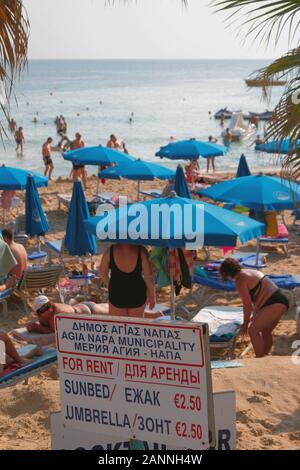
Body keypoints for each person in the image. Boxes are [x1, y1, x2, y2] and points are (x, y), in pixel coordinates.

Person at [219, 258, 289, 358]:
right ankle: (264, 356)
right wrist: (256, 316)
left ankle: (260, 359)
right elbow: (259, 298)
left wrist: (245, 324)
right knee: (265, 331)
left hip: (274, 303)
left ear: (227, 274)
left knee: (253, 330)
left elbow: (247, 305)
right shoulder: (247, 272)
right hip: (279, 299)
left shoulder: (240, 280)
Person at [100, 244, 156, 317]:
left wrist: (110, 285)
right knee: (135, 326)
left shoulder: (110, 251)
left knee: (118, 326)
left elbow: (102, 273)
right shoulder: (141, 250)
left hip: (116, 292)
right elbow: (148, 277)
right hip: (137, 293)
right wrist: (152, 296)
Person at [26, 296, 110, 334]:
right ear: (39, 313)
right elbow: (44, 326)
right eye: (44, 309)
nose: (48, 310)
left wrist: (35, 327)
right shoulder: (44, 315)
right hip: (82, 309)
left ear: (51, 303)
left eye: (48, 306)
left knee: (117, 311)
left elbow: (51, 331)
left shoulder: (57, 313)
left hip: (90, 312)